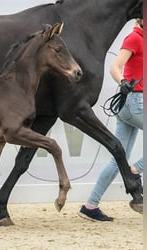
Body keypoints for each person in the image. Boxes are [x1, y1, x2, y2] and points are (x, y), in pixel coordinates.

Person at [78, 18, 143, 221]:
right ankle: (134, 171)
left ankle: (90, 206)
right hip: (134, 101)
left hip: (132, 104)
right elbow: (116, 66)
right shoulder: (134, 38)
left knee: (118, 159)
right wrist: (123, 81)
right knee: (124, 162)